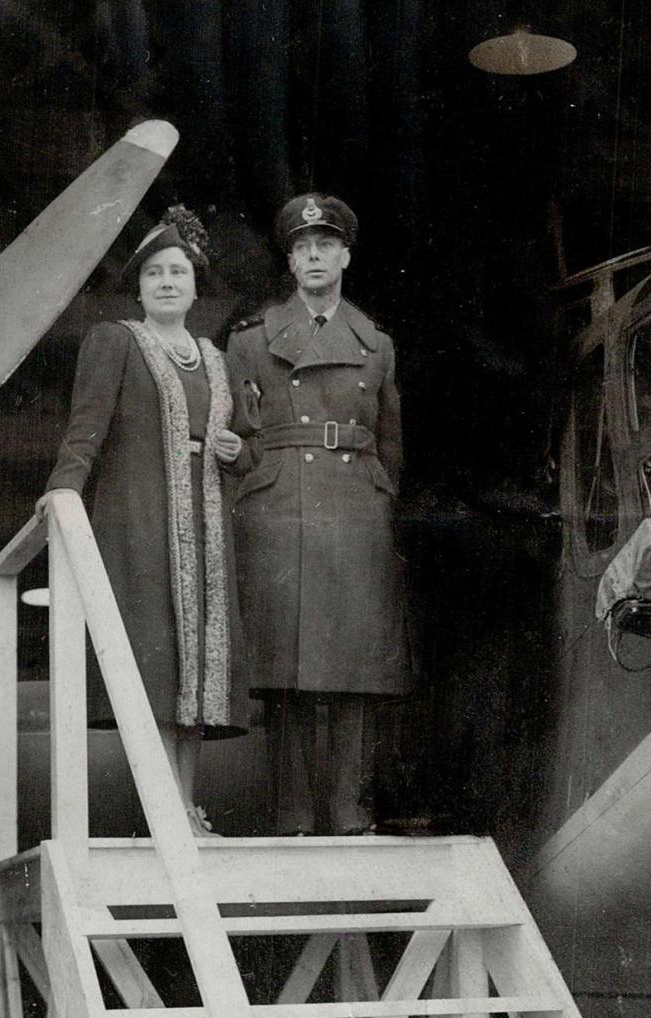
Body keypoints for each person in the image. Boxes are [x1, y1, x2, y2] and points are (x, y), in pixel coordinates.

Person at [37, 205, 247, 837]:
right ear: (138, 286)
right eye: (154, 273)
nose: (166, 283)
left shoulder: (215, 356)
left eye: (177, 272)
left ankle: (183, 806)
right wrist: (63, 491)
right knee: (155, 663)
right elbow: (86, 429)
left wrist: (240, 451)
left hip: (207, 525)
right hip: (141, 520)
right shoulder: (116, 340)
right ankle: (163, 809)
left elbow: (248, 441)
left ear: (193, 284)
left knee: (197, 675)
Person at [226, 192, 413, 836]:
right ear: (290, 259)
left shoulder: (377, 344)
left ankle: (349, 807)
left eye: (325, 246)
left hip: (354, 499)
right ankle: (294, 811)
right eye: (302, 247)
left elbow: (391, 438)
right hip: (279, 504)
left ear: (345, 256)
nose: (313, 256)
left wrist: (379, 493)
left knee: (353, 666)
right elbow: (238, 432)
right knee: (287, 669)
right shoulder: (251, 340)